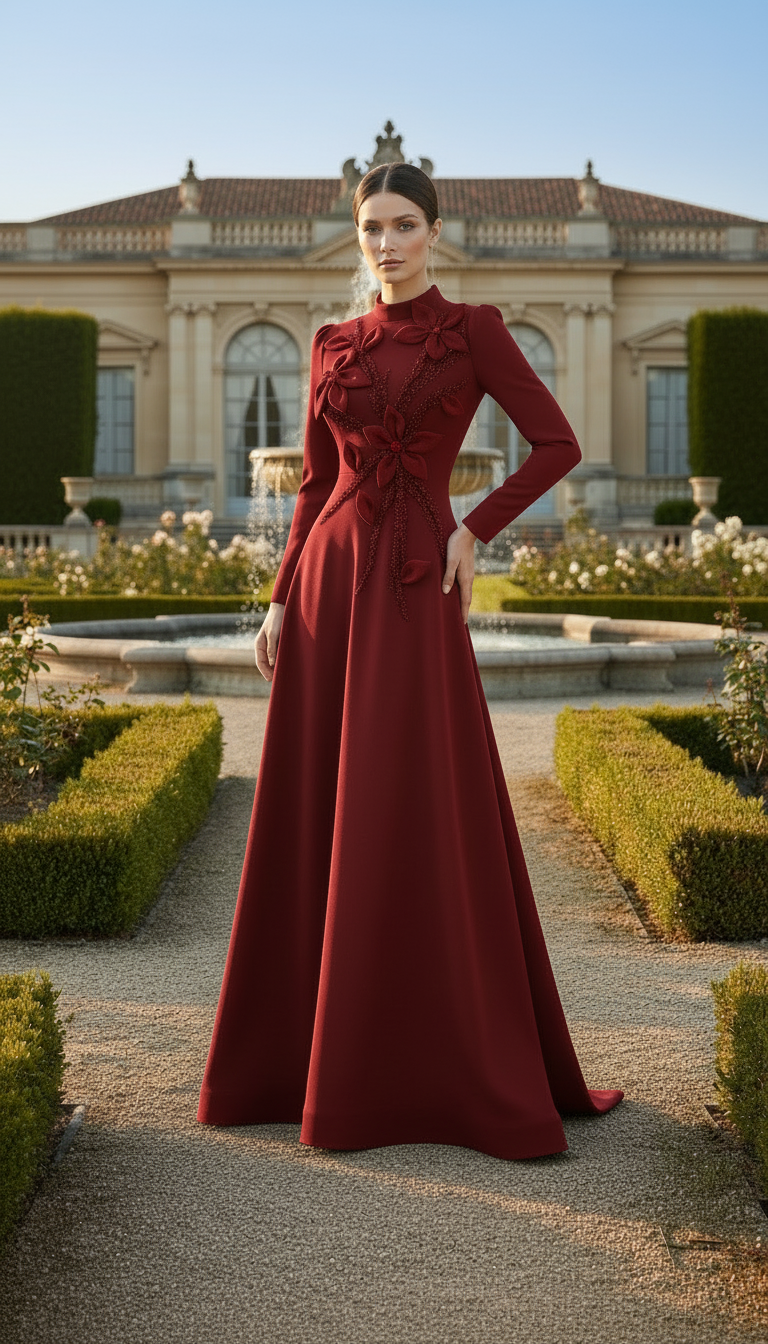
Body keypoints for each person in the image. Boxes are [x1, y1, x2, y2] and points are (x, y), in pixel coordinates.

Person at [197, 163, 622, 1159]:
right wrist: (278, 598)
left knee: (413, 797)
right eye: (371, 229)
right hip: (326, 586)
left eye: (402, 226)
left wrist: (476, 527)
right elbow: (313, 486)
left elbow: (555, 445)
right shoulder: (330, 341)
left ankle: (422, 1061)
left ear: (434, 231)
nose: (385, 245)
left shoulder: (473, 330)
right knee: (319, 803)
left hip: (418, 578)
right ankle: (296, 1064)